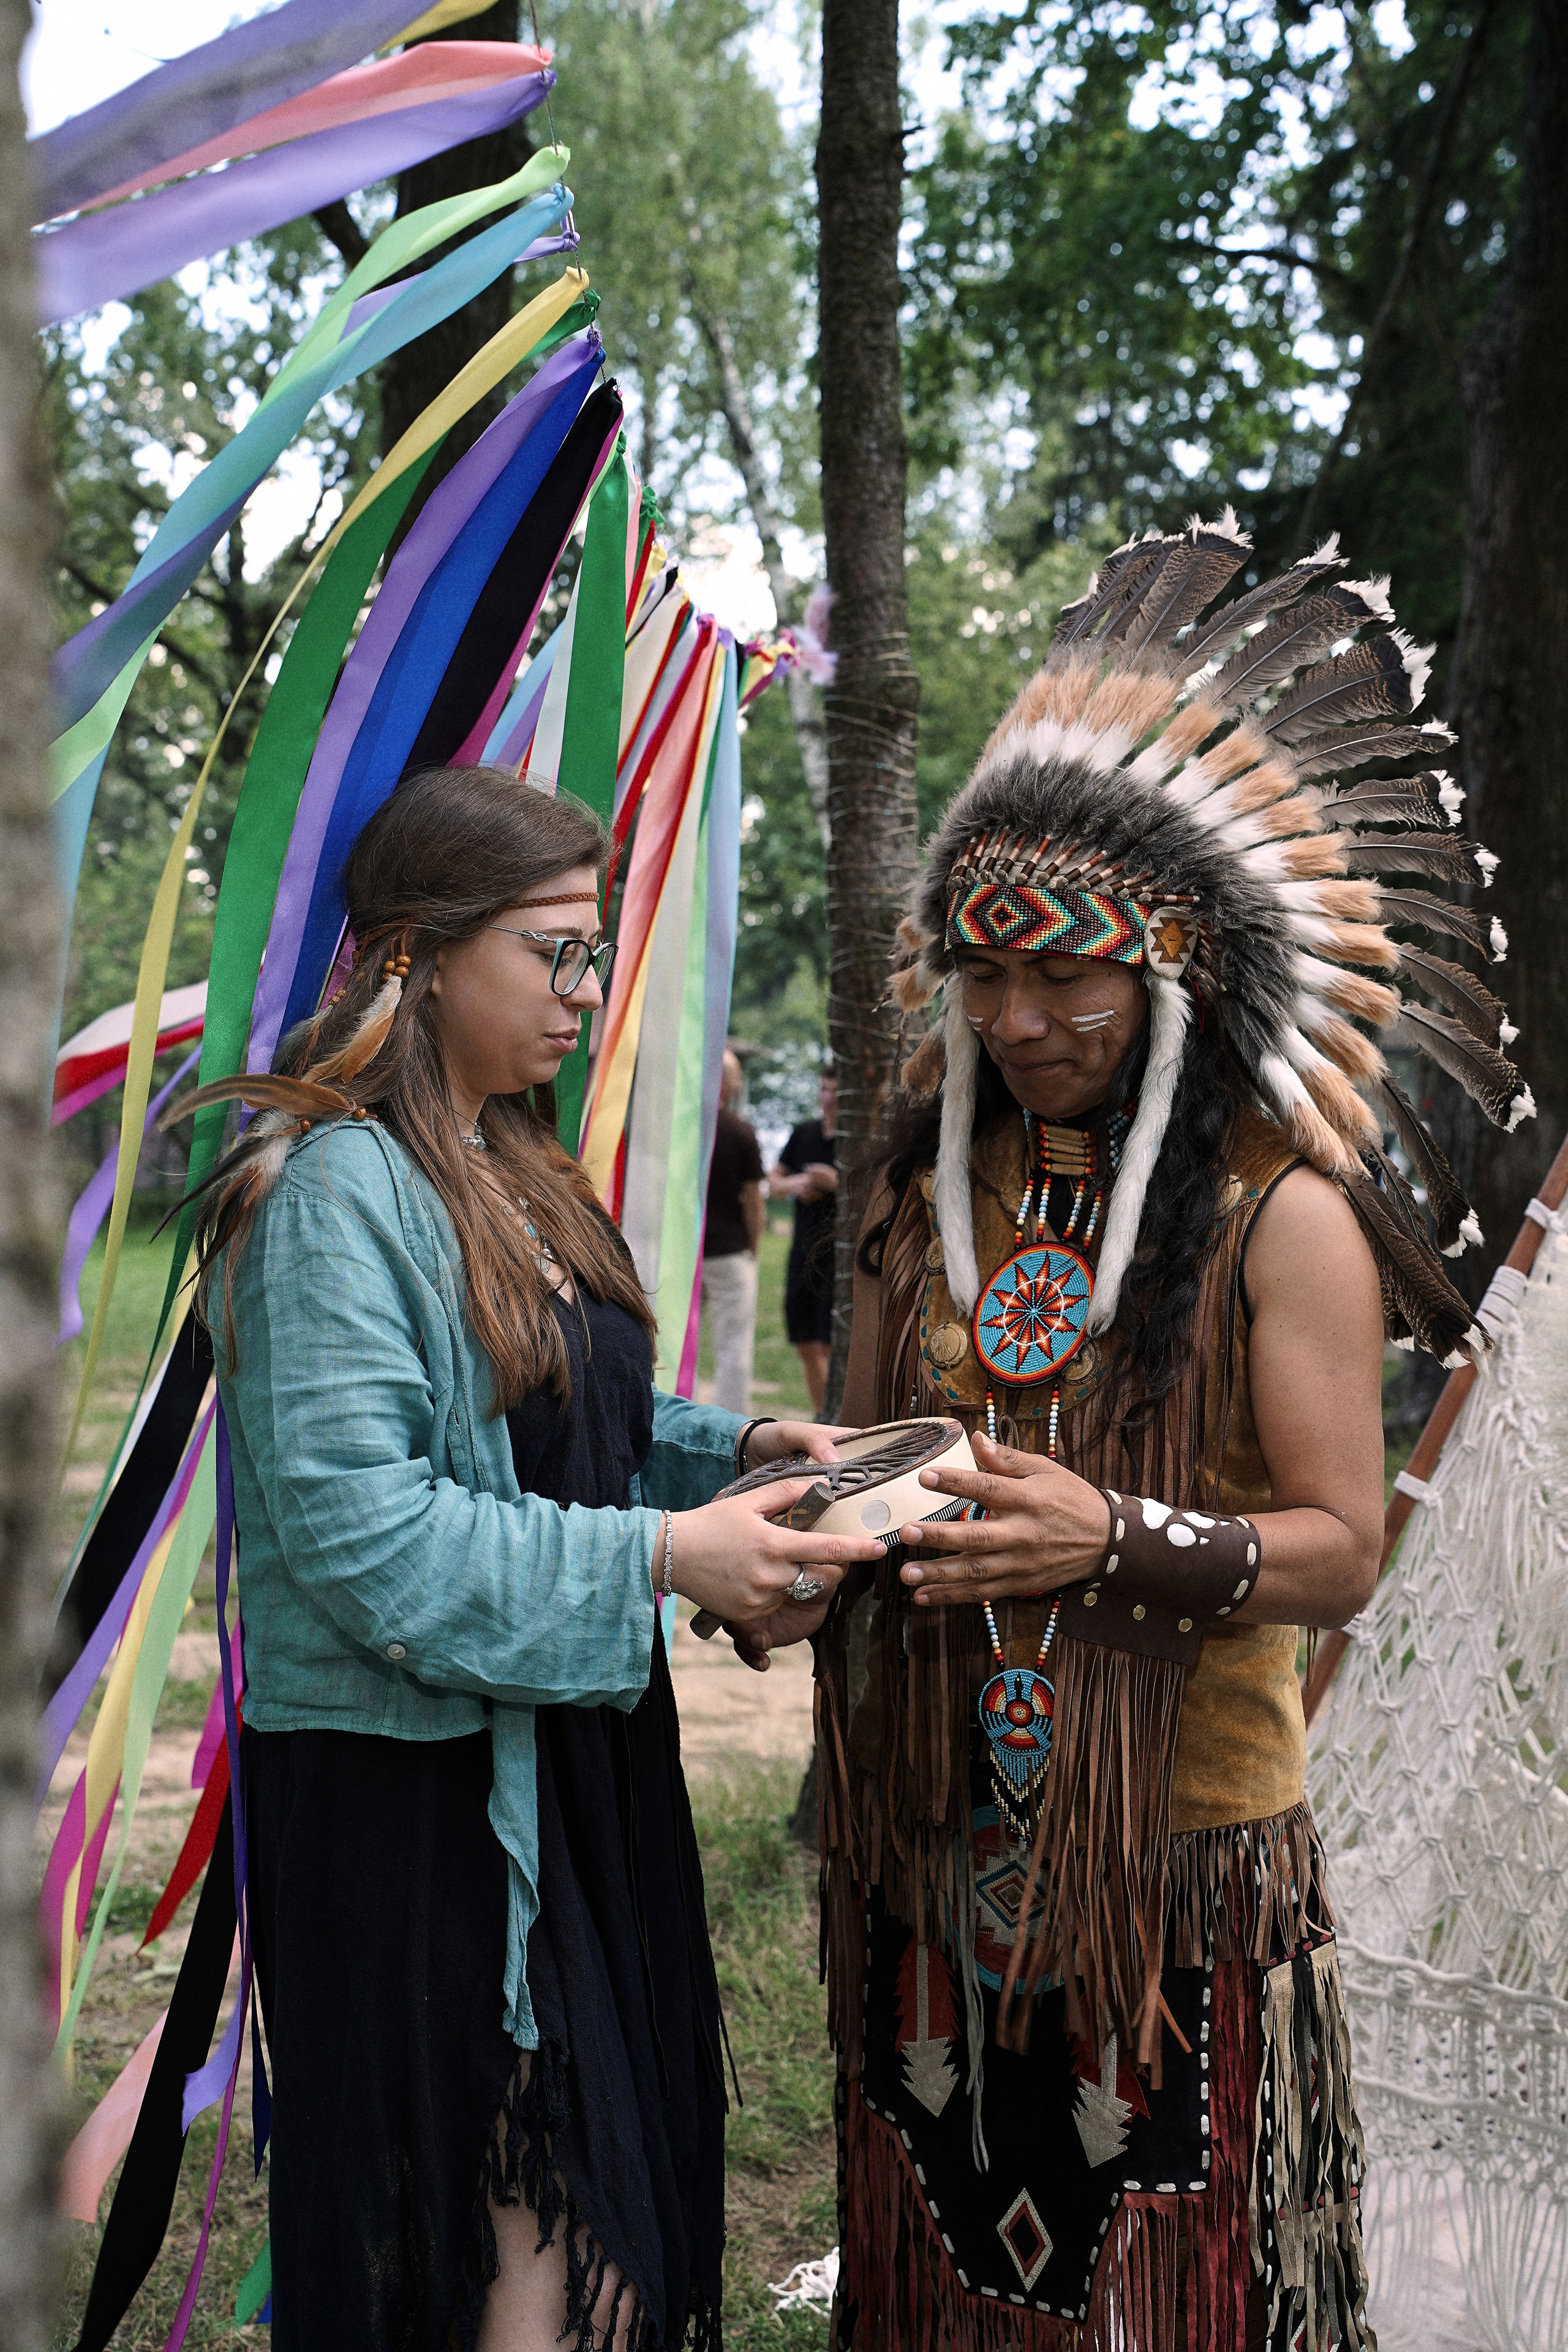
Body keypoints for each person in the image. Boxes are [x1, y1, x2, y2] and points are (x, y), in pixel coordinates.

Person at [801, 516, 1528, 2350]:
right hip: (932, 1819)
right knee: (953, 2253)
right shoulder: (911, 1191)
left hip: (1180, 1850)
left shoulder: (1278, 1209)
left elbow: (1342, 1544)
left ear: (1172, 972)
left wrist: (1110, 1538)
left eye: (1072, 976)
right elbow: (867, 1445)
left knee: (1182, 2272)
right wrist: (810, 1528)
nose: (1023, 1017)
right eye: (983, 976)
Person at [184, 766, 880, 2352]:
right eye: (553, 952)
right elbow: (368, 1538)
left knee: (559, 2236)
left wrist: (739, 1457)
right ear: (418, 958)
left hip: (550, 1764)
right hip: (416, 1814)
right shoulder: (327, 1196)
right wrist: (661, 1560)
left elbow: (561, 1413)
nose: (586, 992)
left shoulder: (505, 1160)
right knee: (523, 2238)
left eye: (595, 952)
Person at [769, 1065, 839, 1411]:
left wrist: (835, 1183)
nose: (828, 1098)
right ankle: (821, 1414)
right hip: (802, 1251)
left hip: (838, 1257)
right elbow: (774, 1182)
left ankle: (831, 1419)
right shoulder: (804, 1134)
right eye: (824, 1089)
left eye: (835, 1090)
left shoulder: (854, 1143)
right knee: (806, 1342)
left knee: (828, 1342)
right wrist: (799, 1184)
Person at [700, 1048, 764, 1412]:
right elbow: (753, 1201)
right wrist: (753, 1246)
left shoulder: (684, 1131)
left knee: (676, 1338)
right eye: (736, 1077)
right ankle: (731, 1424)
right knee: (734, 1346)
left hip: (688, 1253)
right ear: (727, 1083)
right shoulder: (741, 1133)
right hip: (730, 1253)